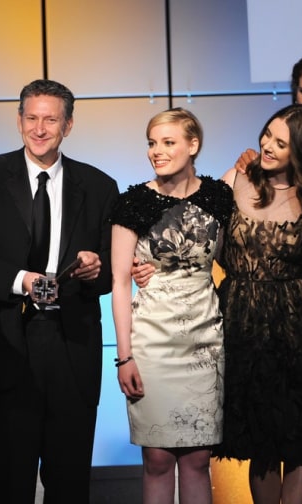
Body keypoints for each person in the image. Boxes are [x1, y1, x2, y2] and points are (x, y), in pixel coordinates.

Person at [0, 79, 119, 503]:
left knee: (69, 481)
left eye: (51, 119)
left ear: (68, 126)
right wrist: (22, 280)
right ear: (18, 121)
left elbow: (111, 272)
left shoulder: (100, 186)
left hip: (72, 343)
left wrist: (95, 269)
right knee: (6, 477)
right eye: (31, 118)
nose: (40, 128)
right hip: (8, 340)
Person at [213, 104, 302, 504]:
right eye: (267, 134)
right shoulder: (233, 178)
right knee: (262, 438)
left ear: (301, 151)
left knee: (299, 435)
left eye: (281, 142)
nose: (267, 146)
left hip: (295, 324)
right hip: (241, 321)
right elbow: (203, 247)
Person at [110, 107, 232, 504]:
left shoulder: (218, 197)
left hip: (205, 341)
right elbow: (119, 282)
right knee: (158, 460)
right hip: (151, 344)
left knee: (198, 461)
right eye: (151, 143)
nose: (156, 151)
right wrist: (124, 357)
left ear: (193, 145)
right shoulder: (133, 202)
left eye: (168, 142)